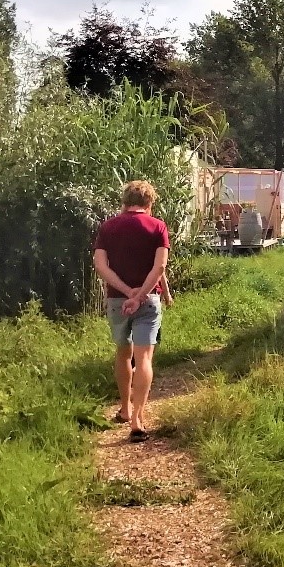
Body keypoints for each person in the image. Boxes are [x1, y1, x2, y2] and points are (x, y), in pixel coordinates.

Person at [92, 180, 173, 442]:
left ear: (124, 201)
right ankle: (138, 418)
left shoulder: (108, 227)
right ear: (149, 203)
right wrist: (139, 295)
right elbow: (159, 268)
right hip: (148, 300)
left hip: (117, 300)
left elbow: (101, 267)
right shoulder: (158, 226)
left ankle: (125, 408)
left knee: (123, 353)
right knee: (144, 358)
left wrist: (127, 293)